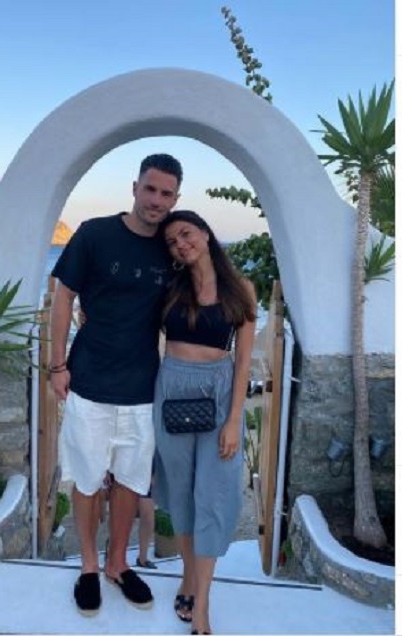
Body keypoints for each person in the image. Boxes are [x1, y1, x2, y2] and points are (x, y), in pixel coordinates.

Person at [49, 154, 182, 617]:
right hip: (88, 382)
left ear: (175, 199)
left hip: (143, 388)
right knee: (87, 480)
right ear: (135, 187)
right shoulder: (94, 234)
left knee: (130, 482)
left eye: (166, 194)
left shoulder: (171, 249)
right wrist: (57, 365)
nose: (156, 200)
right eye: (151, 189)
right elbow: (63, 297)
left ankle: (118, 564)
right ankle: (89, 565)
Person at [153, 210, 257, 635]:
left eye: (186, 233)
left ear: (205, 233)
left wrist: (233, 420)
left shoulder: (241, 289)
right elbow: (132, 322)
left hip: (219, 393)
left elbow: (244, 361)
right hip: (171, 389)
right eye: (172, 241)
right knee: (181, 494)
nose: (181, 244)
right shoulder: (170, 287)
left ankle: (203, 602)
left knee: (213, 494)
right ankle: (187, 577)